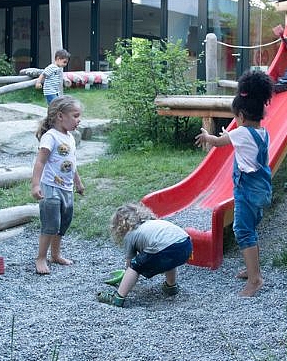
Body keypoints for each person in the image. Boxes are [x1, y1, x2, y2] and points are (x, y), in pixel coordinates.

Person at [194, 70, 273, 297]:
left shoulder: (240, 133)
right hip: (262, 188)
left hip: (246, 189)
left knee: (242, 230)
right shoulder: (262, 132)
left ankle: (256, 279)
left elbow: (219, 142)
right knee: (250, 229)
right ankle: (252, 270)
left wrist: (207, 137)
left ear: (239, 115)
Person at [96, 203, 193, 307]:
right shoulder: (154, 223)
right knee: (170, 256)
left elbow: (130, 264)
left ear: (120, 226)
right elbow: (170, 244)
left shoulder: (131, 234)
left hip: (166, 248)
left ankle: (118, 298)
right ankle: (171, 287)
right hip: (186, 245)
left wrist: (126, 274)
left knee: (135, 267)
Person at [30, 95, 86, 274]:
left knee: (63, 221)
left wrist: (78, 182)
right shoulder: (50, 137)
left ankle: (55, 254)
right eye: (75, 116)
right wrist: (35, 185)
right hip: (50, 187)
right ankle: (40, 258)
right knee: (51, 223)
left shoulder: (69, 137)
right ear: (60, 116)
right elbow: (40, 162)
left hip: (66, 188)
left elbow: (71, 163)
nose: (79, 120)